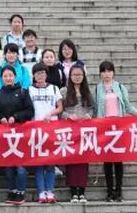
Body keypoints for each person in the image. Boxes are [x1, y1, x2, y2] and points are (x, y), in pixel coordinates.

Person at [95, 60, 137, 203]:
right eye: (104, 71)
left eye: (109, 71)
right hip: (105, 128)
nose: (107, 74)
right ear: (100, 74)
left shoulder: (120, 87)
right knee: (107, 161)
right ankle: (109, 192)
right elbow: (96, 108)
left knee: (118, 160)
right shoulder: (98, 89)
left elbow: (128, 107)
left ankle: (118, 191)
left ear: (113, 73)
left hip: (119, 127)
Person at [0, 66, 34, 205]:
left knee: (21, 167)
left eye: (10, 75)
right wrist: (1, 118)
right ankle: (12, 191)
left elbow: (30, 111)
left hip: (22, 134)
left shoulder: (23, 91)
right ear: (1, 78)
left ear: (15, 77)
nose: (8, 78)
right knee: (8, 166)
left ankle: (20, 192)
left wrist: (16, 117)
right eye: (5, 76)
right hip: (5, 135)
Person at [28, 63, 63, 204]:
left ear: (46, 74)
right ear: (34, 75)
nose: (40, 75)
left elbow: (60, 107)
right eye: (37, 73)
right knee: (39, 162)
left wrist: (50, 113)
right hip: (36, 130)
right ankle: (41, 192)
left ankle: (50, 191)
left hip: (51, 129)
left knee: (50, 162)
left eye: (43, 73)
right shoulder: (29, 90)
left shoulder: (54, 88)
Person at [61, 64, 94, 204]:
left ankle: (82, 192)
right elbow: (60, 110)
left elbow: (92, 108)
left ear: (83, 76)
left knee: (83, 161)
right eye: (74, 74)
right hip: (70, 130)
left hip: (85, 130)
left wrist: (89, 115)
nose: (77, 77)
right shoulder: (63, 91)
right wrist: (68, 116)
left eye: (80, 74)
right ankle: (73, 192)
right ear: (70, 76)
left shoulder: (87, 91)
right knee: (72, 160)